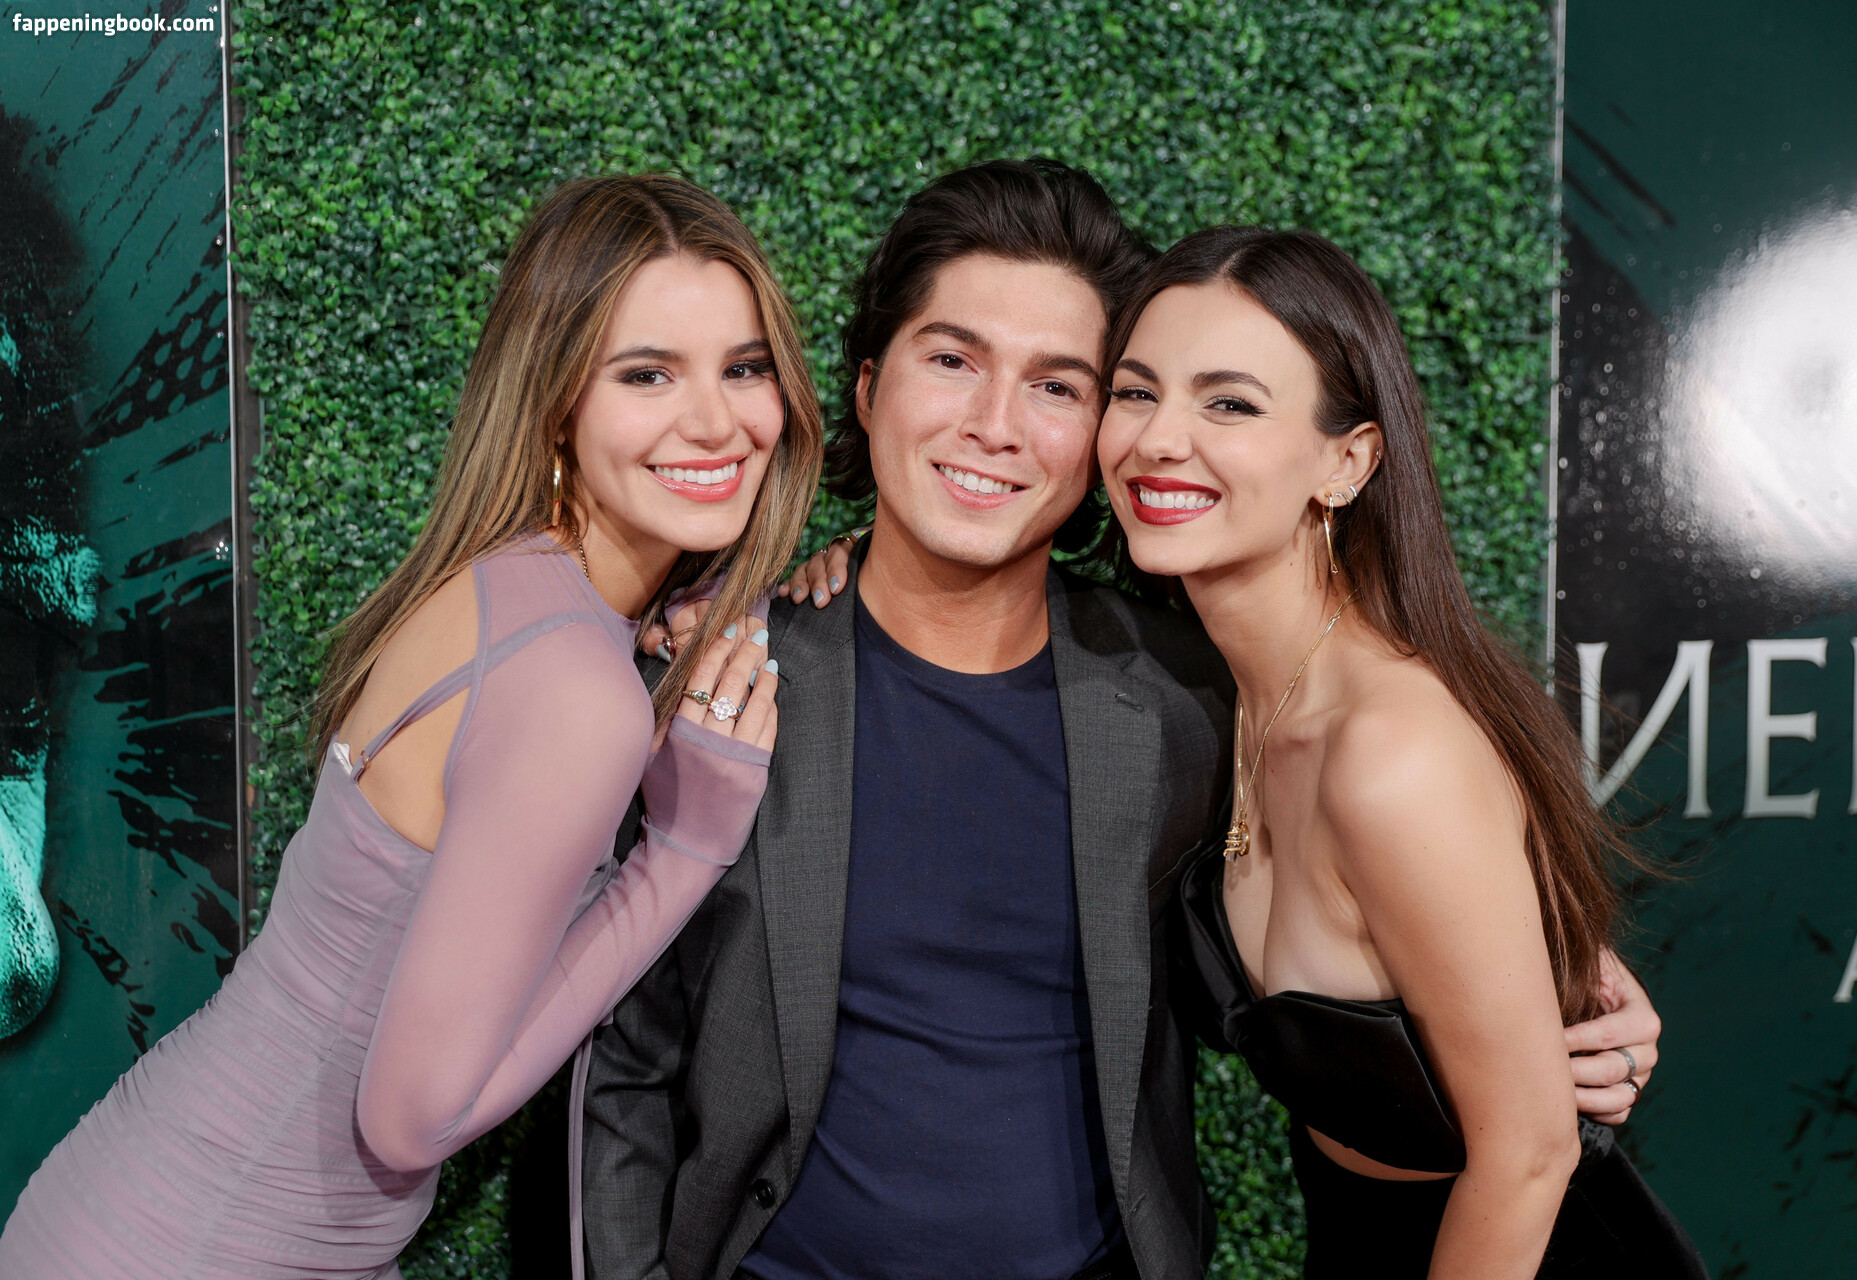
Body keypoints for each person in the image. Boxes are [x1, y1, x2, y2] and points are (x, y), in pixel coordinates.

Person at [580, 158, 1664, 1280]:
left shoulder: (1191, 700)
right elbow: (621, 1060)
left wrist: (1567, 990)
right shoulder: (721, 676)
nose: (995, 425)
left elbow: (1394, 908)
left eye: (1059, 386)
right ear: (867, 389)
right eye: (951, 360)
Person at [0, 173, 821, 1280]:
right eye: (647, 373)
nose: (717, 420)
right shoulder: (579, 693)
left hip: (133, 1200)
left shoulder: (503, 581)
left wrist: (708, 607)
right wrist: (680, 850)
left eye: (745, 366)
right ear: (556, 401)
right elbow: (406, 1120)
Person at [1095, 225, 1705, 1277]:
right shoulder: (1215, 690)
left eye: (1229, 404)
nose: (1158, 438)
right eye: (1135, 392)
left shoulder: (1389, 752)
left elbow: (1528, 1155)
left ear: (1348, 461)